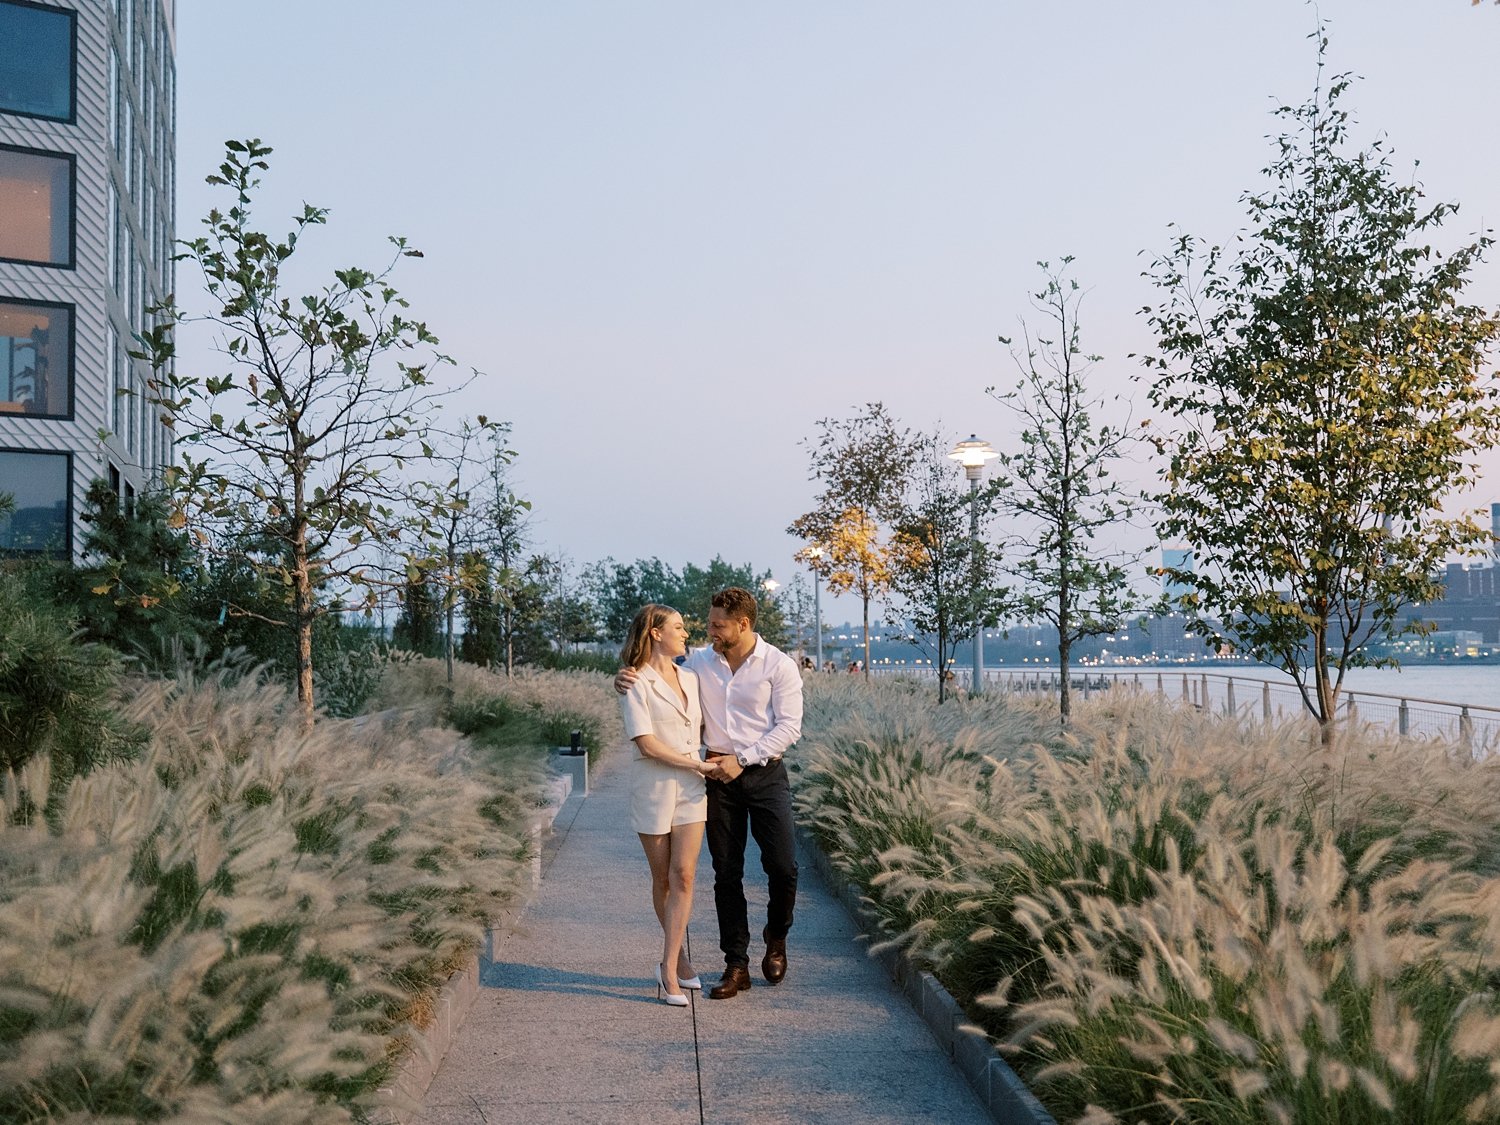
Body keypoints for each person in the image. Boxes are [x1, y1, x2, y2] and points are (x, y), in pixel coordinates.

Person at [617, 587, 804, 1000]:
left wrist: (746, 757)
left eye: (718, 624)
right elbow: (655, 667)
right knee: (726, 873)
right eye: (708, 624)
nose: (709, 631)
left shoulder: (779, 665)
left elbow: (789, 727)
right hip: (717, 777)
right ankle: (735, 965)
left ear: (743, 624)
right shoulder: (700, 661)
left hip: (765, 773)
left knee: (783, 866)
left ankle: (776, 935)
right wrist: (623, 676)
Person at [618, 604, 719, 1007]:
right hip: (656, 787)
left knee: (685, 877)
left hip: (693, 788)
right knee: (662, 880)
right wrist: (697, 763)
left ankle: (667, 967)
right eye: (677, 627)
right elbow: (646, 743)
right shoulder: (634, 682)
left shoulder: (692, 678)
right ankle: (682, 961)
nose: (685, 632)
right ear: (655, 633)